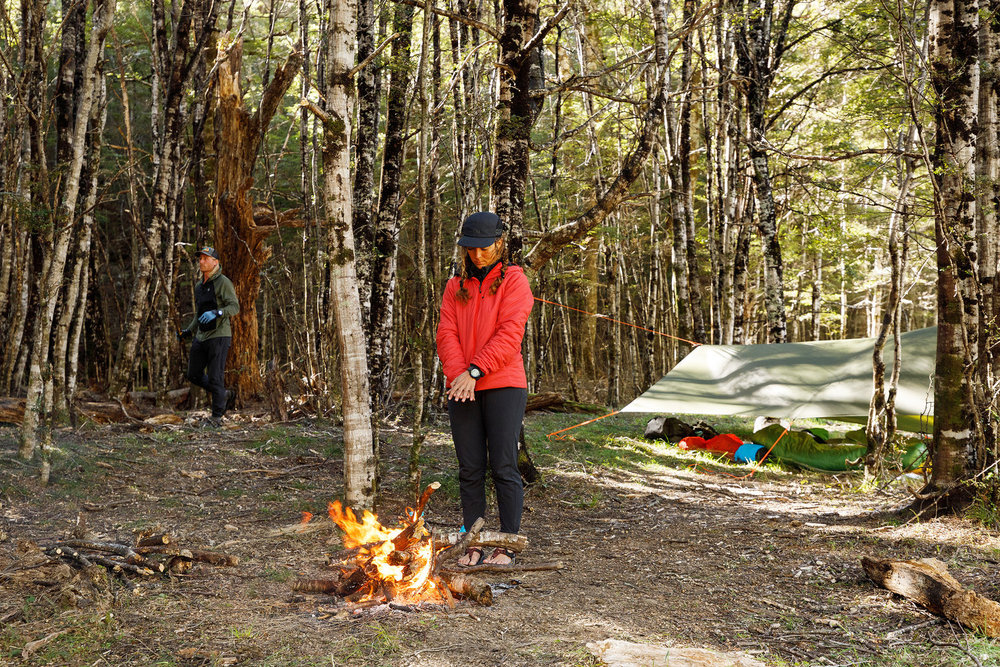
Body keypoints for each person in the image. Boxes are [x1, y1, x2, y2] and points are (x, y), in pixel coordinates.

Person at [435, 212, 534, 566]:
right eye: (471, 248)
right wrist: (460, 375)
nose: (477, 255)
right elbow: (446, 333)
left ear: (499, 243)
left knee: (504, 465)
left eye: (485, 247)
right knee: (470, 468)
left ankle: (507, 545)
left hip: (503, 383)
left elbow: (510, 333)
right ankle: (473, 542)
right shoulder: (455, 286)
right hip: (462, 386)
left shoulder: (515, 281)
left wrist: (475, 371)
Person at [177, 246, 240, 427]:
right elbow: (199, 314)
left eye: (205, 258)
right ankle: (223, 394)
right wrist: (188, 331)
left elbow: (234, 307)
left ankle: (216, 417)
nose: (201, 261)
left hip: (219, 335)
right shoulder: (199, 286)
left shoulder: (223, 282)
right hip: (201, 336)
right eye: (200, 258)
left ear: (215, 262)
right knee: (194, 374)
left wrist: (217, 312)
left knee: (215, 377)